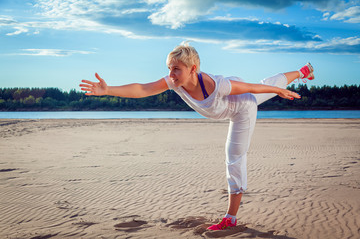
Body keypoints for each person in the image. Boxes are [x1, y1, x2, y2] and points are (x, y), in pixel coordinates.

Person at [79, 42, 314, 231]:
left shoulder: (216, 85)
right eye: (170, 68)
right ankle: (304, 71)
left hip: (242, 109)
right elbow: (142, 89)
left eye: (176, 69)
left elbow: (253, 88)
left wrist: (278, 92)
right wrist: (108, 90)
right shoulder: (174, 82)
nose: (171, 74)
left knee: (234, 158)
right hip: (231, 105)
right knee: (268, 84)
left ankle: (230, 219)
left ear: (193, 69)